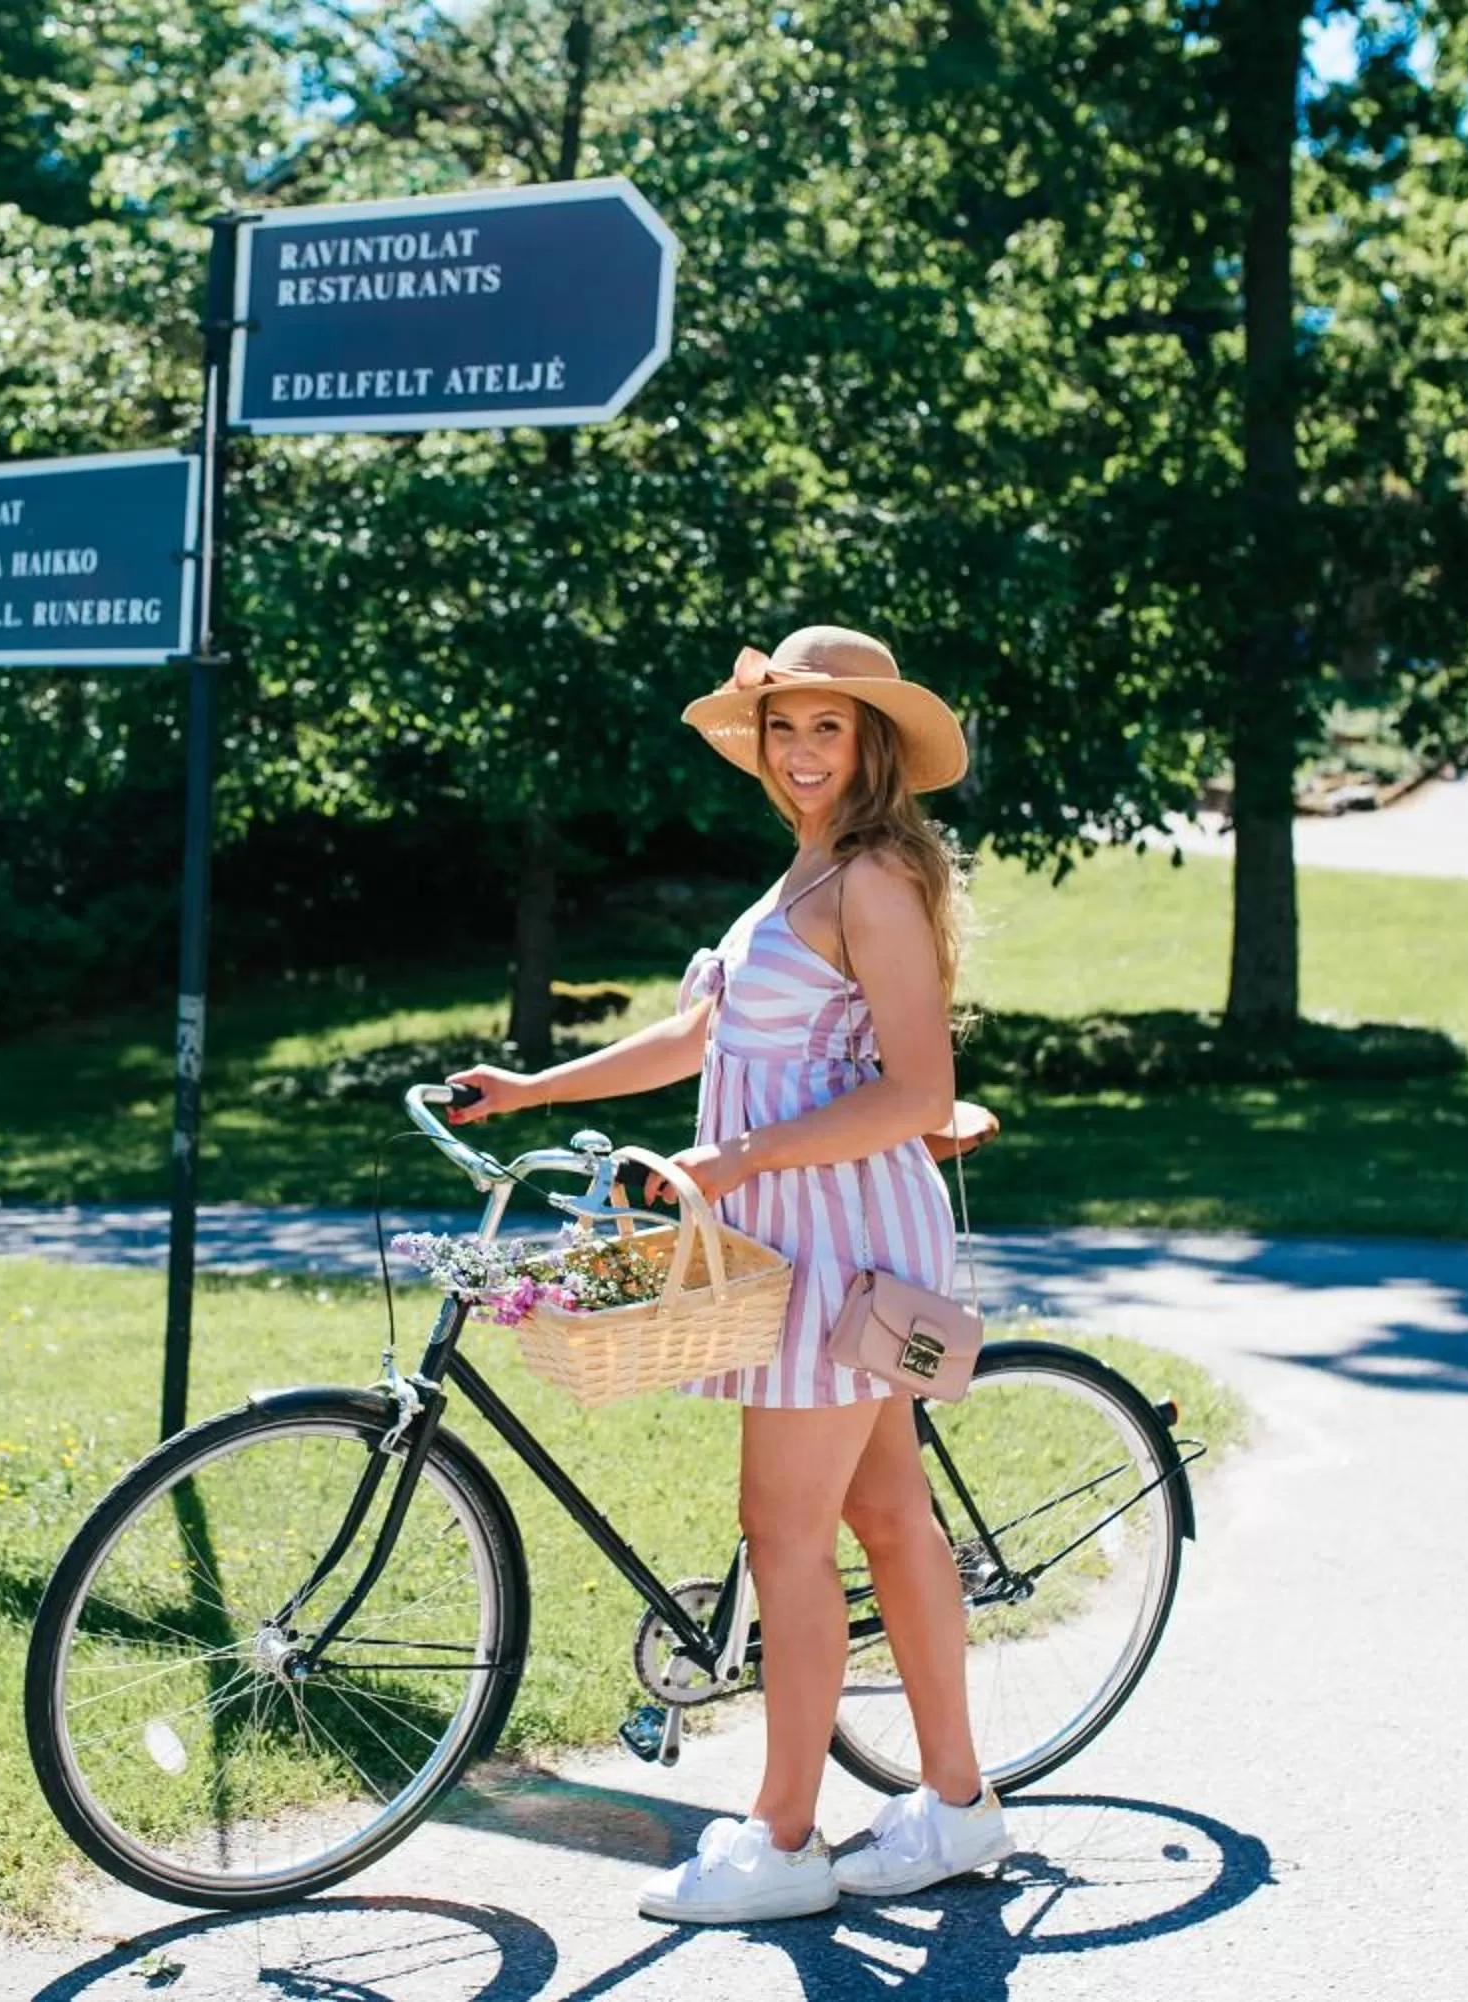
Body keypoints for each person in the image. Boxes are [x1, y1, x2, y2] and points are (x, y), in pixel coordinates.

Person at [447, 625, 1008, 1924]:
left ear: (873, 742)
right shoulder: (804, 873)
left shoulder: (871, 877)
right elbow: (699, 1030)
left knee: (788, 1535)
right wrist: (536, 1088)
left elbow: (921, 1090)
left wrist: (731, 1161)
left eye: (830, 726)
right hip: (806, 1225)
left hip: (835, 1238)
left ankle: (783, 1838)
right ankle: (959, 1805)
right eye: (784, 726)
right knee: (881, 1518)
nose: (803, 749)